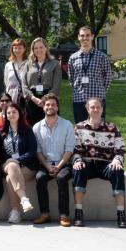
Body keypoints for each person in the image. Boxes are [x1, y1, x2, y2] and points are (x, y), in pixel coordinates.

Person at [71, 98, 126, 228]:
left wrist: (117, 160)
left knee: (118, 170)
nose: (95, 110)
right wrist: (77, 160)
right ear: (87, 109)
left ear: (102, 109)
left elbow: (121, 148)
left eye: (98, 107)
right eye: (92, 107)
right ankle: (78, 212)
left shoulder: (112, 127)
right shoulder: (79, 128)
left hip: (106, 165)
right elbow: (75, 149)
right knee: (78, 169)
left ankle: (121, 214)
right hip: (88, 164)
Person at [32, 94, 75, 226]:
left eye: (53, 105)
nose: (50, 107)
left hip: (64, 164)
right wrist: (47, 166)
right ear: (43, 107)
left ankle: (64, 215)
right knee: (39, 178)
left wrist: (59, 166)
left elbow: (69, 149)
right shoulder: (37, 127)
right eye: (47, 105)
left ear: (57, 107)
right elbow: (37, 150)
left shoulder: (67, 125)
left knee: (62, 178)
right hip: (46, 165)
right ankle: (45, 214)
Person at [0, 103, 38, 224]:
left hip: (27, 165)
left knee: (8, 179)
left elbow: (32, 151)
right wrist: (11, 161)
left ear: (19, 114)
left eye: (14, 112)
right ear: (6, 116)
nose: (11, 114)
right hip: (7, 164)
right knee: (11, 166)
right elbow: (0, 152)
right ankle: (23, 198)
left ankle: (15, 212)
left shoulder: (27, 130)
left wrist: (18, 160)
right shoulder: (2, 132)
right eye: (9, 113)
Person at [69, 26, 113, 123]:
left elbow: (108, 77)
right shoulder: (73, 58)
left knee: (98, 128)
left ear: (92, 37)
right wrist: (77, 90)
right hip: (79, 99)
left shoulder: (102, 56)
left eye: (88, 35)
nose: (85, 38)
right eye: (82, 35)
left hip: (97, 99)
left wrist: (101, 91)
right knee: (80, 129)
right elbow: (71, 78)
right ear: (78, 37)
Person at [23, 37, 62, 125]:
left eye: (41, 47)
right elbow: (24, 84)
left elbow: (57, 85)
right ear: (33, 50)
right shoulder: (28, 64)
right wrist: (33, 98)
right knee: (32, 127)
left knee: (51, 125)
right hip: (32, 100)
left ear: (46, 48)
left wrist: (45, 100)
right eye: (35, 48)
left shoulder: (55, 64)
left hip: (49, 100)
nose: (38, 50)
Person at [3, 38, 28, 107]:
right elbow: (6, 82)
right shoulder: (8, 65)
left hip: (25, 96)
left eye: (20, 48)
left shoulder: (29, 63)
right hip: (11, 96)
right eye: (15, 48)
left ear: (24, 49)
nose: (17, 50)